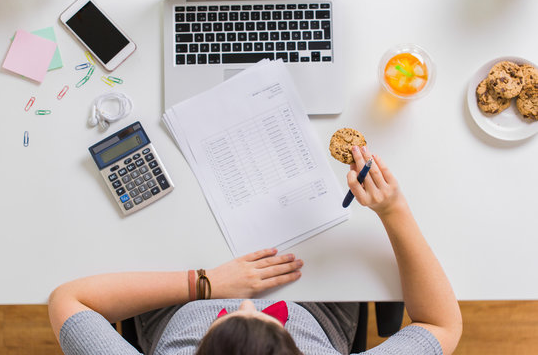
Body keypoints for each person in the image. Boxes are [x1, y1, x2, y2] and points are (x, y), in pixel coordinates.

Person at [48, 146, 462, 355]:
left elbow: (69, 299)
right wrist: (394, 209)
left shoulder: (222, 299)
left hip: (174, 294)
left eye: (228, 320)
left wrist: (208, 285)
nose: (249, 305)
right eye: (266, 320)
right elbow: (442, 326)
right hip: (319, 295)